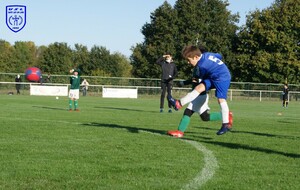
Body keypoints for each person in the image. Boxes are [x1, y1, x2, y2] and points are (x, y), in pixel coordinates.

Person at [168, 45, 233, 136]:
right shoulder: (207, 55)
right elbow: (219, 56)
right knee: (204, 113)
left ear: (196, 57)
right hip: (214, 77)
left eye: (189, 60)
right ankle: (179, 103)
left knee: (221, 99)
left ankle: (225, 124)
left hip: (222, 77)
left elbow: (198, 78)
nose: (188, 62)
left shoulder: (202, 66)